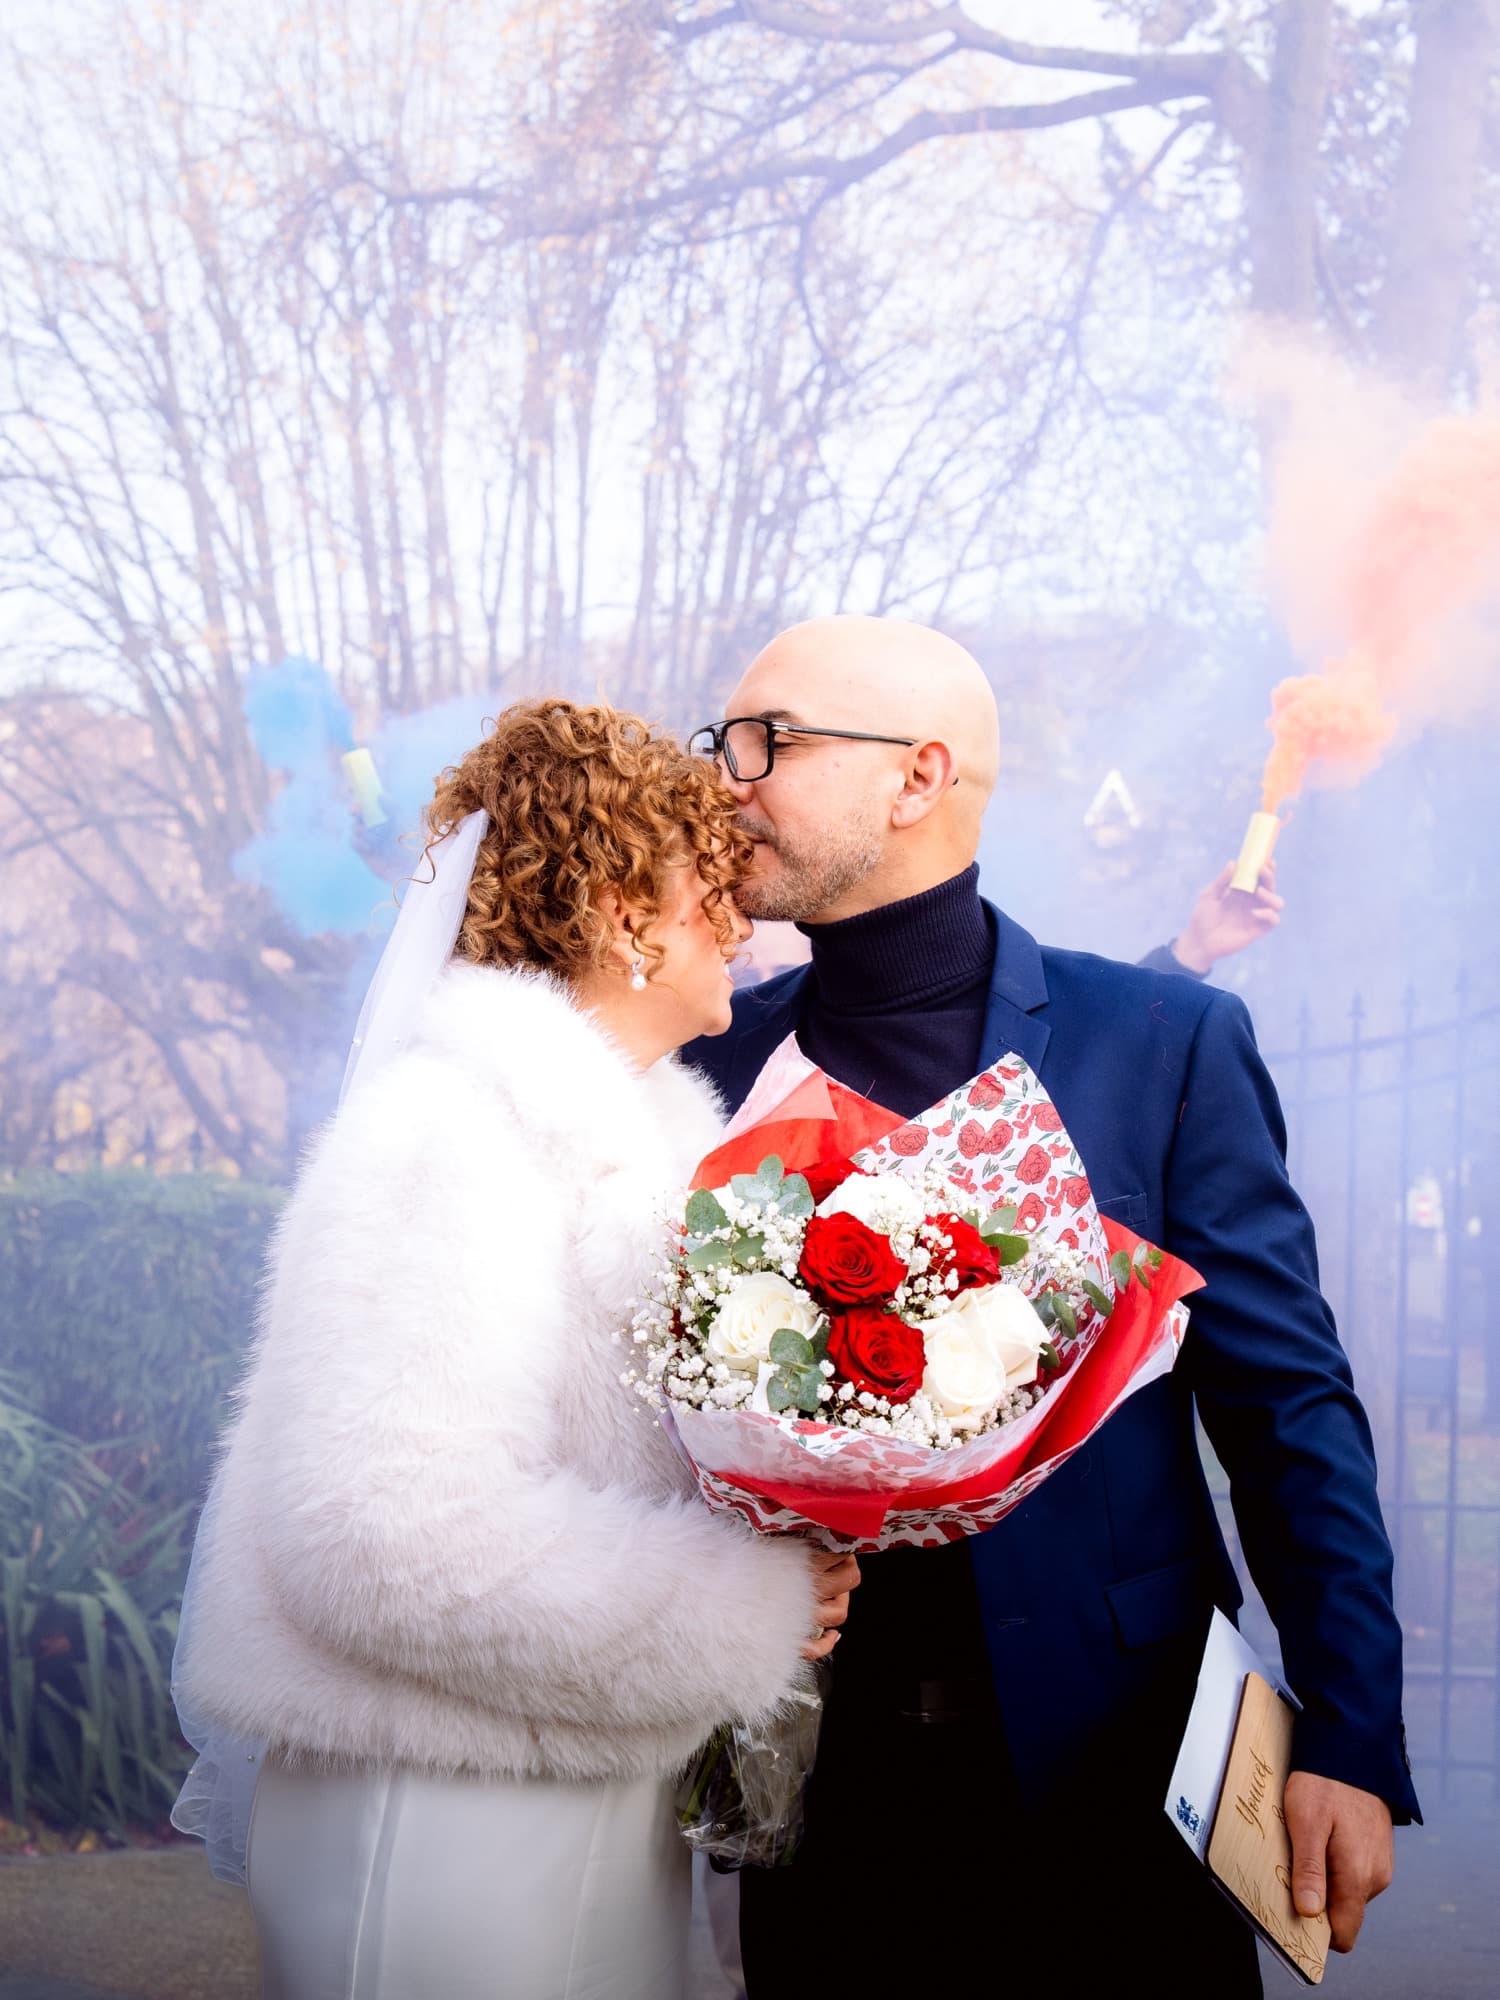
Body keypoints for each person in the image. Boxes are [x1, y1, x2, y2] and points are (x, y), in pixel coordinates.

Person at [682, 616, 1417, 1998]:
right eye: (727, 743)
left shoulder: (1161, 1041)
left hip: (1124, 1787)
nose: (728, 780)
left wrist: (1349, 1735)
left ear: (918, 776)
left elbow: (1288, 1410)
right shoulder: (705, 1068)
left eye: (767, 742)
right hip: (824, 1817)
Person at [172, 698, 859, 2000]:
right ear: (621, 915)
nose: (740, 921)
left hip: (587, 1790)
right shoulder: (449, 1137)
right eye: (707, 889)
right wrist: (748, 1602)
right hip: (439, 1823)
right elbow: (386, 1537)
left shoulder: (640, 1145)